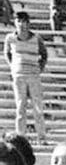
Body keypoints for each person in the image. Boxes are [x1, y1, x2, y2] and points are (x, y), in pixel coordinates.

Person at [4, 10, 47, 142]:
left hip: (33, 75)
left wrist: (39, 69)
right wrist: (13, 67)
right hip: (19, 76)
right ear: (15, 23)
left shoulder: (36, 38)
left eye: (24, 22)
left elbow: (44, 55)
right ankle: (21, 138)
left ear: (28, 24)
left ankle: (41, 137)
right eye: (19, 21)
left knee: (37, 107)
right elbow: (7, 54)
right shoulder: (10, 38)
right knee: (20, 107)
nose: (21, 25)